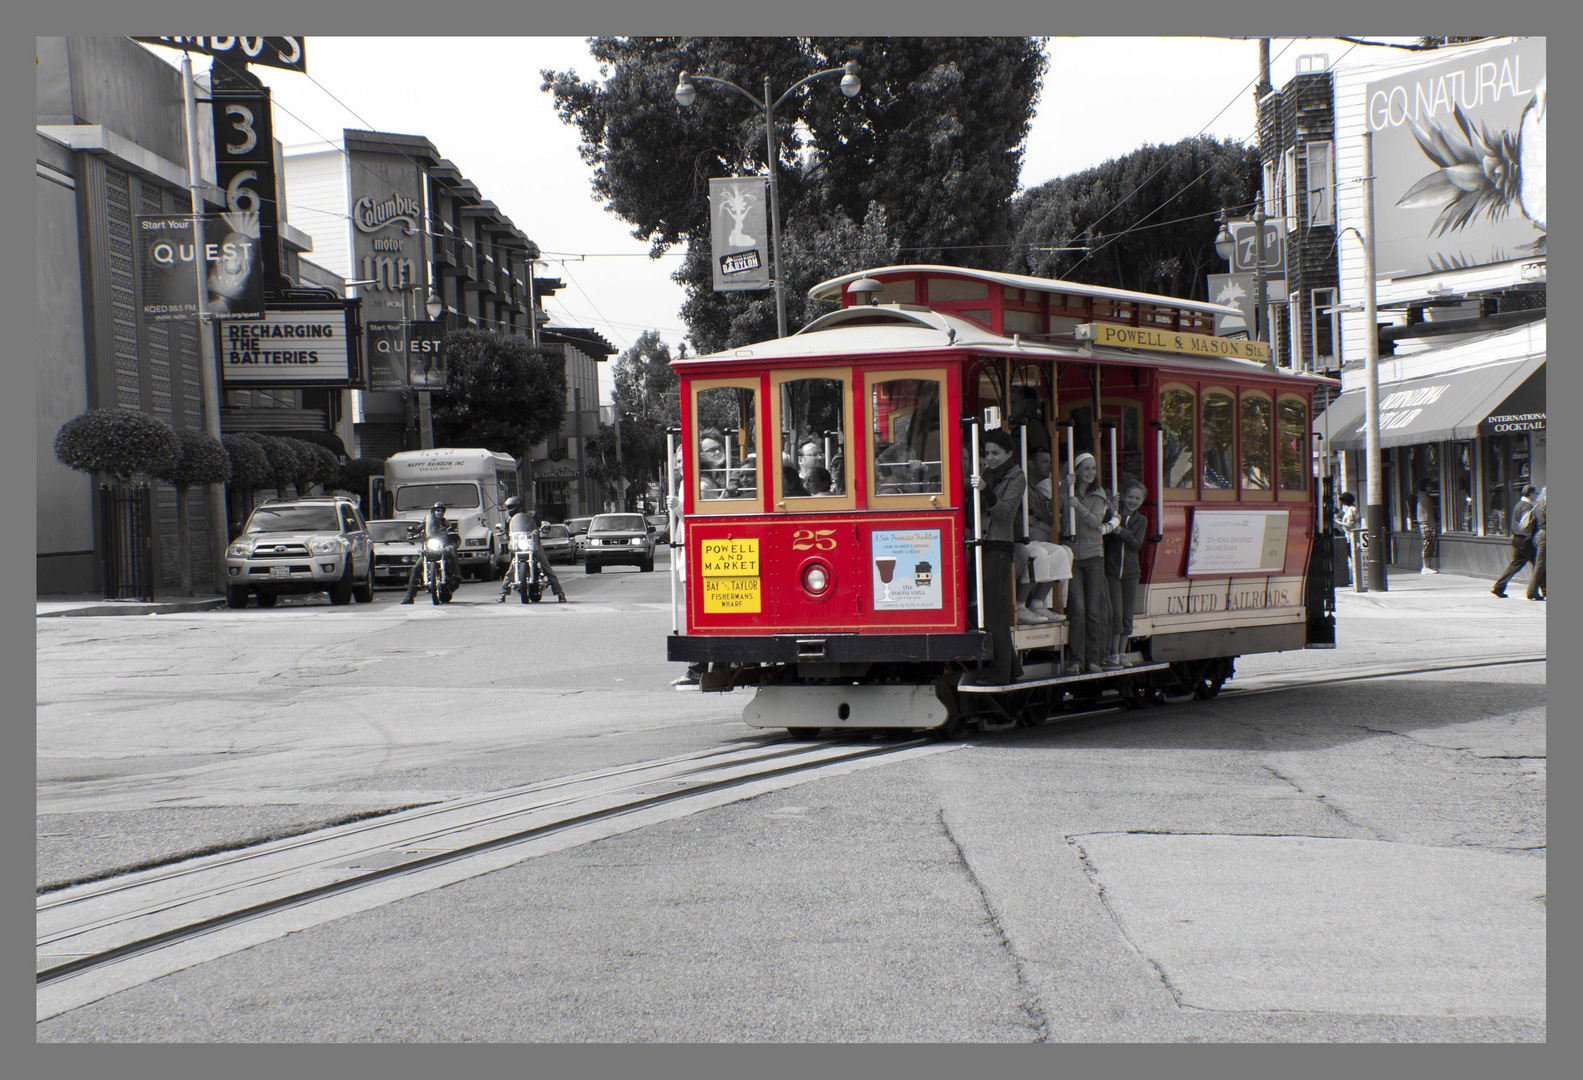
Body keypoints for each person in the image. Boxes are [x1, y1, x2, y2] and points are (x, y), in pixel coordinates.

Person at [963, 428, 1025, 685]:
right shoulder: (986, 473)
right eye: (987, 453)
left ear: (1009, 453)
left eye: (995, 453)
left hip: (998, 546)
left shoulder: (1016, 476)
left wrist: (987, 491)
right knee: (982, 608)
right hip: (979, 545)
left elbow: (1006, 512)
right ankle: (1010, 670)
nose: (990, 458)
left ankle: (998, 673)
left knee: (994, 611)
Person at [1063, 452, 1118, 674]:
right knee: (1078, 609)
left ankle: (1093, 659)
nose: (1091, 472)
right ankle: (1076, 660)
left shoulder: (1098, 494)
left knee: (1093, 611)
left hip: (1094, 557)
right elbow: (1054, 511)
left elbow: (1096, 521)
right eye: (1086, 468)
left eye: (1093, 469)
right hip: (1073, 557)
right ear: (1076, 471)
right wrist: (1063, 487)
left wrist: (1078, 507)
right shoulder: (1067, 491)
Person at [1015, 446, 1069, 624]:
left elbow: (1049, 515)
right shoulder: (1019, 486)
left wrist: (1037, 520)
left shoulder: (1035, 490)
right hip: (1020, 539)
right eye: (1045, 462)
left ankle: (1038, 604)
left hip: (1037, 537)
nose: (1049, 467)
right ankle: (1020, 607)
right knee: (1039, 555)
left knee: (1062, 553)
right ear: (1030, 464)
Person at [1105, 478, 1149, 666]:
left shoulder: (1142, 520)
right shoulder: (1114, 516)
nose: (1133, 501)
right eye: (1130, 497)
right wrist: (1112, 519)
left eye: (1137, 498)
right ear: (1123, 497)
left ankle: (1123, 652)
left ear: (1142, 501)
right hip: (1113, 572)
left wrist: (1121, 532)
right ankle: (1112, 652)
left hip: (1131, 573)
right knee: (1116, 612)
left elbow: (1136, 545)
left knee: (1127, 614)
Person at [497, 497, 566, 603]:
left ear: (518, 507)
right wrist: (502, 530)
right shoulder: (509, 520)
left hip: (534, 546)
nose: (509, 510)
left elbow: (541, 524)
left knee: (547, 568)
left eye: (511, 507)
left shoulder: (532, 516)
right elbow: (507, 530)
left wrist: (543, 526)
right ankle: (502, 594)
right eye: (508, 508)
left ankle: (560, 593)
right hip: (519, 547)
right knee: (511, 570)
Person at [400, 502, 460, 604]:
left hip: (441, 548)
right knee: (416, 567)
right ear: (433, 511)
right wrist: (413, 532)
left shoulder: (446, 523)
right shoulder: (427, 521)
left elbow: (452, 530)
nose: (439, 513)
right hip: (430, 548)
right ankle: (409, 596)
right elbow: (419, 528)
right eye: (437, 510)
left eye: (441, 511)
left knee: (452, 551)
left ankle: (457, 575)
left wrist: (452, 533)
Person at [1491, 485, 1539, 598]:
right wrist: (1530, 536)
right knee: (1539, 566)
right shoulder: (1527, 506)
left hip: (1517, 539)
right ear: (1530, 494)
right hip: (1525, 540)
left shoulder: (1519, 504)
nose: (1536, 495)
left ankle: (1498, 587)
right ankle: (1539, 591)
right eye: (1535, 493)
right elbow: (1526, 524)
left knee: (1515, 564)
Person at [1525, 486, 1545, 601]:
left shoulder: (1537, 507)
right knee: (1540, 565)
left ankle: (1536, 590)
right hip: (1545, 536)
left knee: (1540, 564)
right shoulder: (1545, 508)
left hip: (1538, 536)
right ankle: (1531, 591)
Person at [1416, 479, 1440, 574]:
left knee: (1427, 544)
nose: (1432, 488)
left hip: (1424, 524)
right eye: (1430, 486)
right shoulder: (1425, 499)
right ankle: (1426, 566)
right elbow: (1428, 513)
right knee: (1428, 545)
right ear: (1426, 487)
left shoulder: (1421, 498)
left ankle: (1427, 566)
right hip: (1427, 524)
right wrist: (1433, 525)